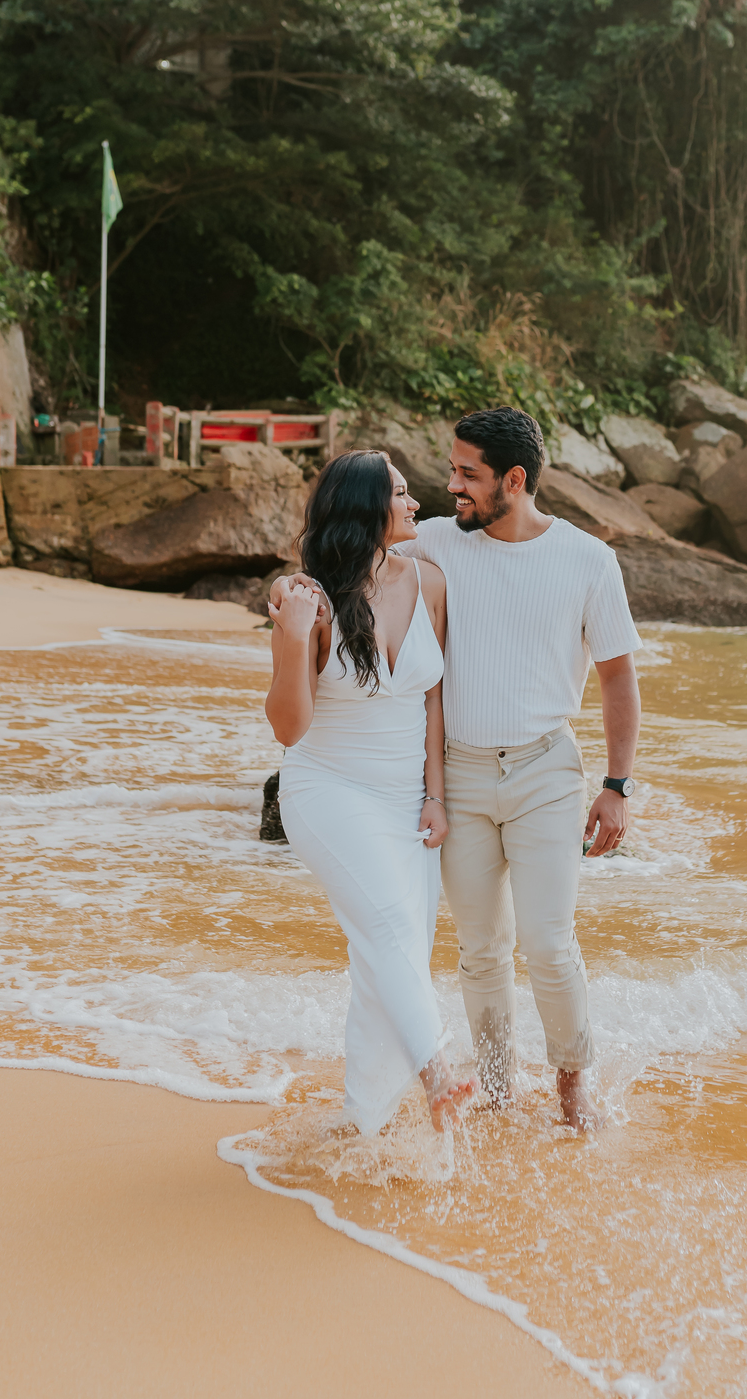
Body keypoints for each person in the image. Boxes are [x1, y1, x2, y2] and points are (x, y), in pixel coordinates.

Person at [274, 406, 642, 1131]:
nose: (450, 488)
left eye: (467, 475)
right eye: (448, 473)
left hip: (545, 769)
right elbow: (345, 557)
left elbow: (619, 679)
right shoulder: (436, 542)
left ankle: (574, 1092)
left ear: (515, 480)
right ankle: (499, 1095)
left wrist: (617, 786)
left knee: (547, 941)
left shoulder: (588, 561)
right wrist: (287, 593)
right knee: (479, 949)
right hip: (461, 776)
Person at [264, 450, 476, 1135]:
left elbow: (434, 700)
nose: (417, 505)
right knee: (387, 928)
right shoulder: (311, 601)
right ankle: (436, 1071)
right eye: (403, 494)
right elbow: (290, 729)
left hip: (403, 798)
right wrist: (293, 638)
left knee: (389, 953)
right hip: (326, 790)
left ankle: (363, 1126)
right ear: (366, 510)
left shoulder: (430, 582)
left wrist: (434, 796)